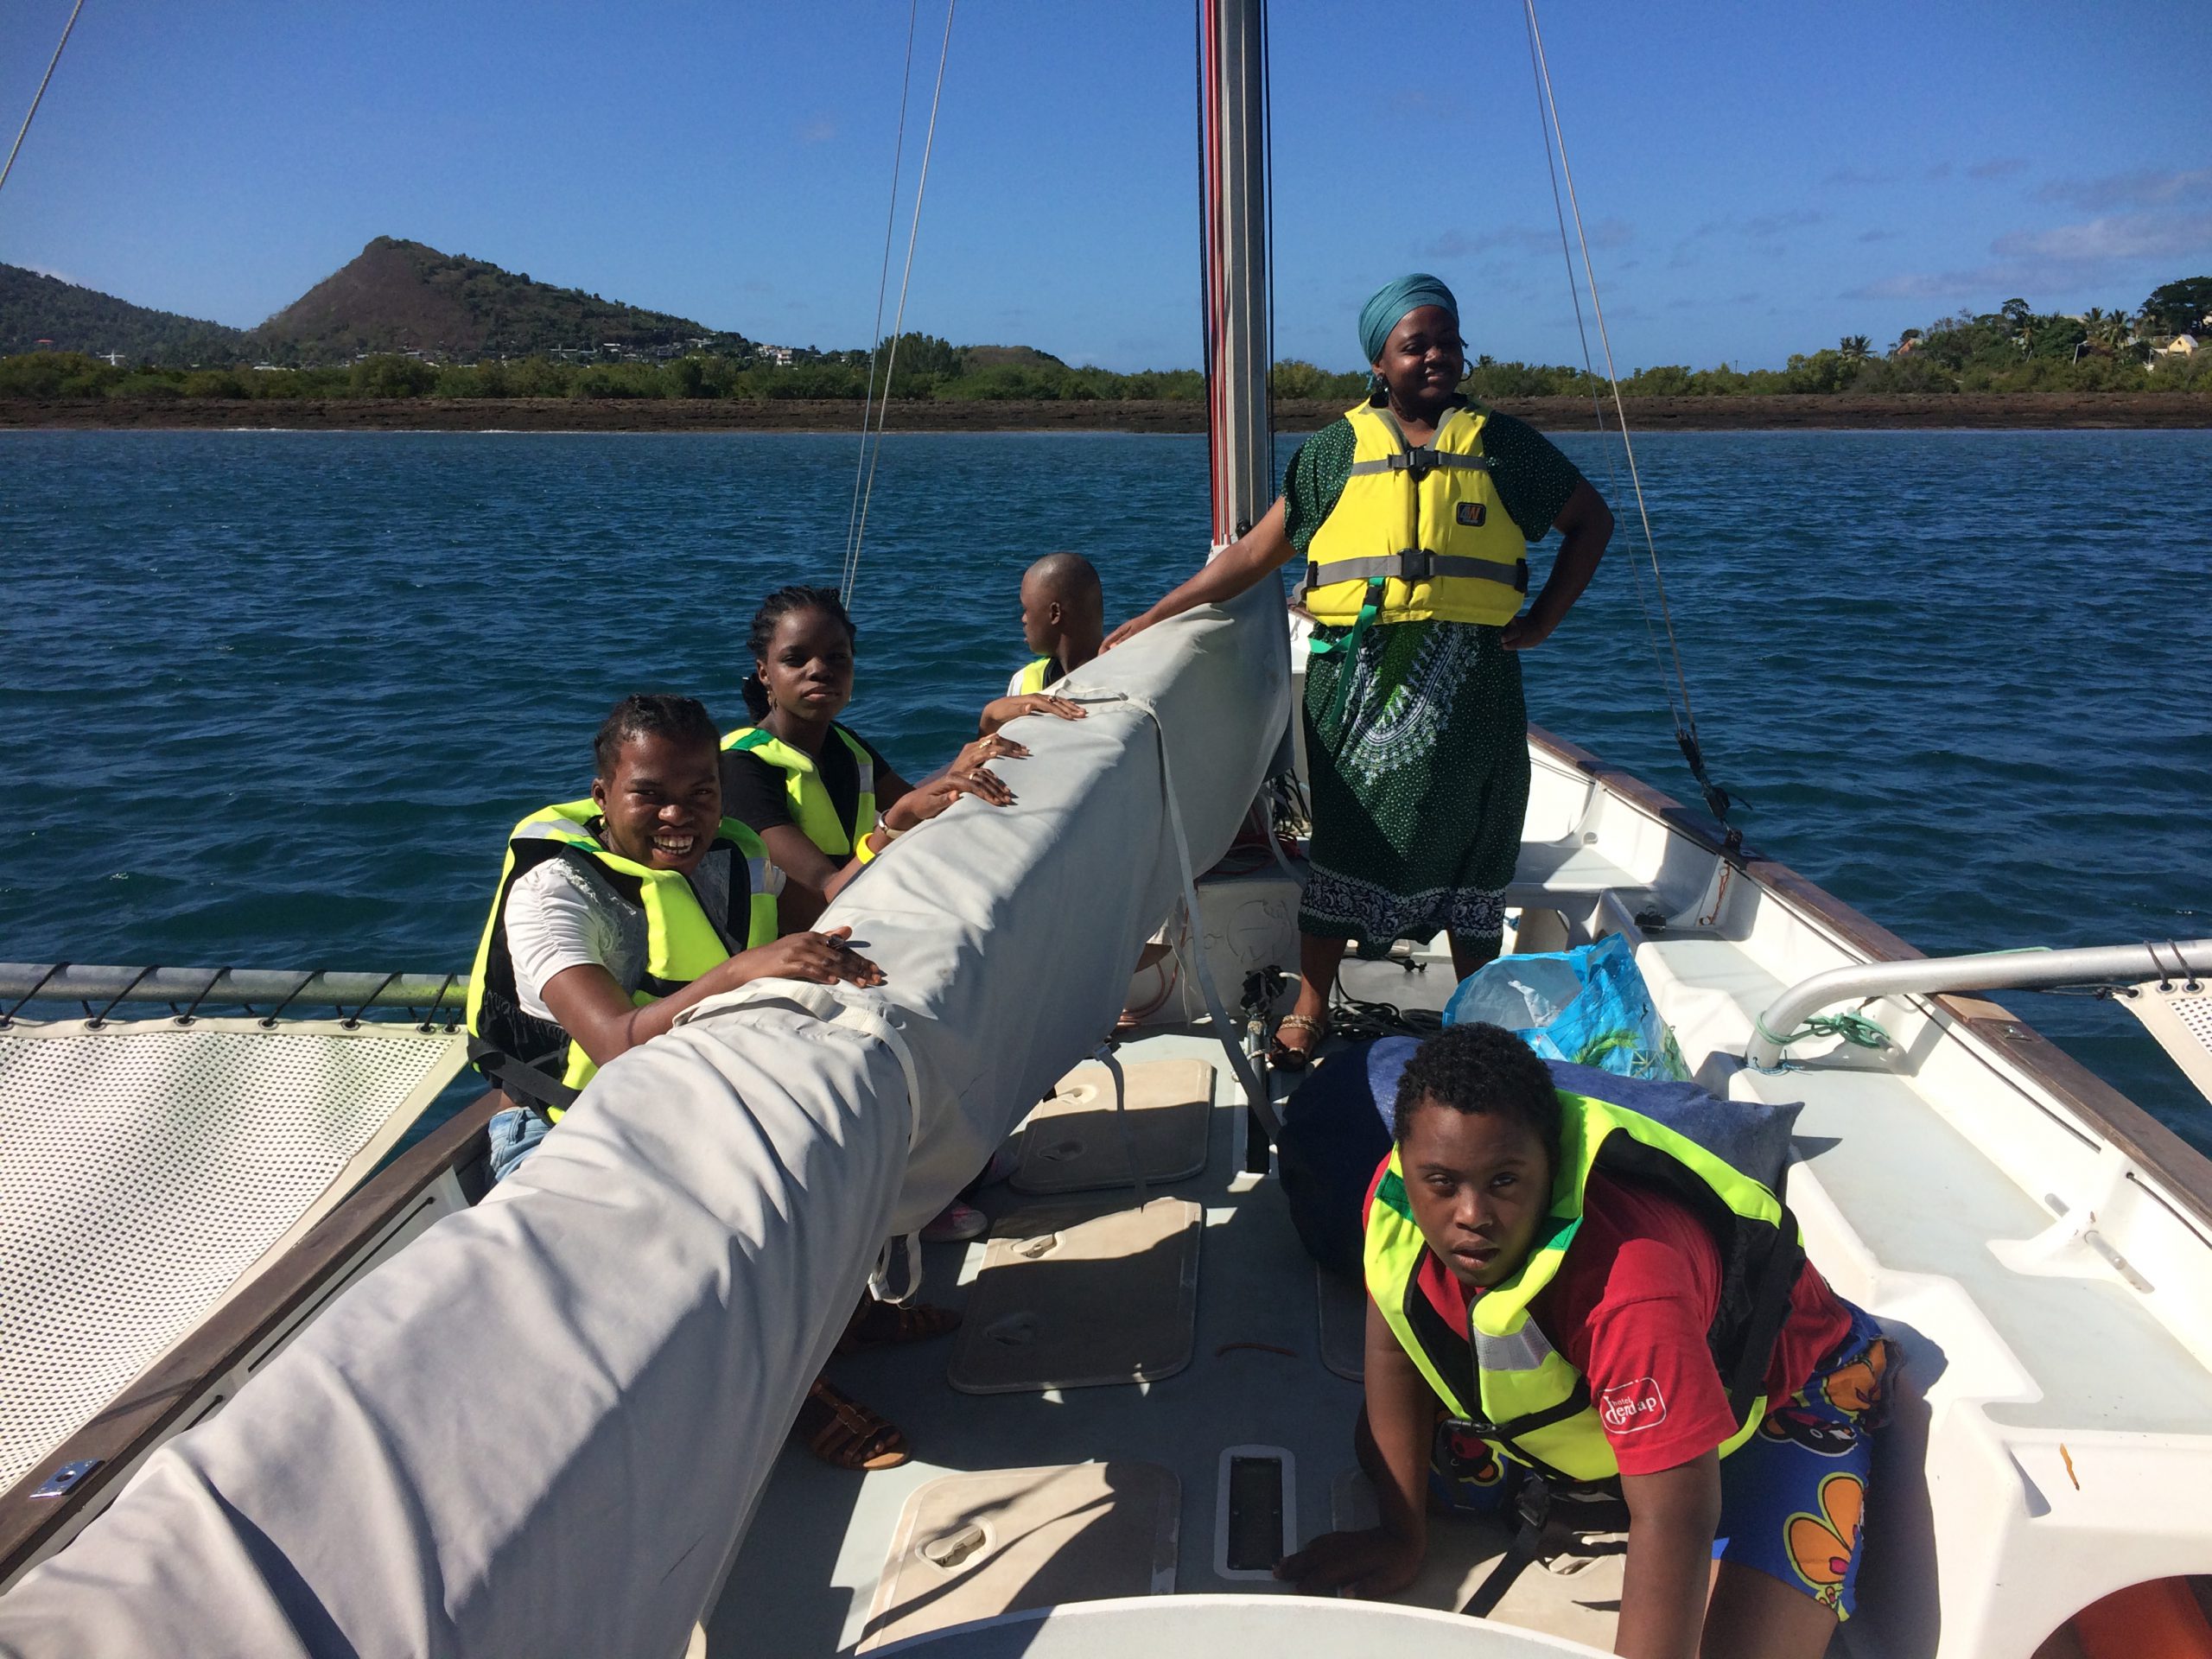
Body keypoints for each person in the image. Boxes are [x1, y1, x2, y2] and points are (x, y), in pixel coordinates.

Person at [1104, 274, 1615, 1068]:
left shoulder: (1506, 447)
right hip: (1360, 693)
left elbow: (1592, 521)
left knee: (1475, 851)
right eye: (1417, 346)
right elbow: (1252, 554)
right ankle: (1313, 1003)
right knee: (1346, 845)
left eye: (1449, 342)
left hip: (1474, 689)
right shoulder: (1333, 452)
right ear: (1380, 362)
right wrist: (1155, 614)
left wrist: (1545, 618)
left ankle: (1474, 1012)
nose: (1437, 356)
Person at [1279, 1025, 1891, 1659]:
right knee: (1383, 1455)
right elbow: (1395, 1350)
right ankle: (1607, 1475)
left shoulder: (1629, 1285)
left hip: (1789, 1394)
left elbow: (1677, 1518)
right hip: (1614, 1403)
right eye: (1441, 1183)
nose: (1471, 1215)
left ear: (1553, 1163)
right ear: (1406, 1164)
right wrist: (1400, 1534)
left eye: (1505, 1182)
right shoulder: (1397, 1196)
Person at [465, 693, 944, 1472]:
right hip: (570, 1125)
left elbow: (821, 916)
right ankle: (794, 1390)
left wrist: (896, 827)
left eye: (700, 794)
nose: (677, 818)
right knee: (701, 1231)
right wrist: (735, 973)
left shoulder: (737, 852)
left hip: (702, 1085)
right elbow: (615, 1045)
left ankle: (842, 1317)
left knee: (842, 1134)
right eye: (648, 795)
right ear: (601, 797)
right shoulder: (555, 894)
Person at [721, 584, 1029, 1241]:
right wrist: (894, 822)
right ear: (764, 674)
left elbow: (922, 801)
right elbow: (828, 886)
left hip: (859, 944)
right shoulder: (742, 770)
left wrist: (979, 748)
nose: (819, 671)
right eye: (797, 658)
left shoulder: (846, 748)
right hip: (793, 969)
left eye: (836, 657)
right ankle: (913, 1201)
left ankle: (949, 1163)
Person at [980, 550, 1102, 732]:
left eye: (1026, 609)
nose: (1023, 619)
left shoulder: (1123, 674)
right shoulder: (1023, 680)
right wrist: (990, 714)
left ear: (1055, 614)